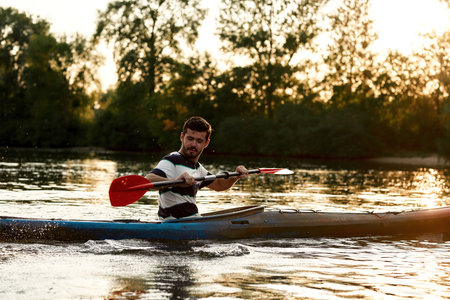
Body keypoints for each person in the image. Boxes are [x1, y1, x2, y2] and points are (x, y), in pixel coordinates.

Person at [145, 116, 248, 219]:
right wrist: (176, 182)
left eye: (199, 141)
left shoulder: (198, 168)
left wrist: (235, 176)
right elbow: (147, 181)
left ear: (206, 143)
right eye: (190, 139)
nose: (193, 144)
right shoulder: (172, 160)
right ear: (182, 137)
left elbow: (219, 185)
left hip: (193, 221)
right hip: (175, 225)